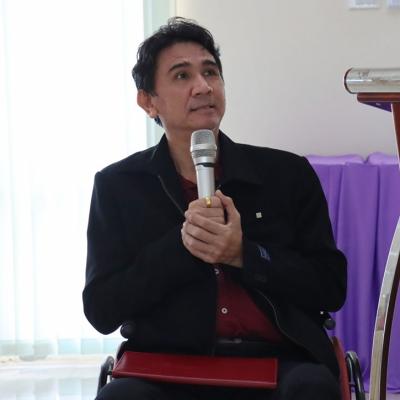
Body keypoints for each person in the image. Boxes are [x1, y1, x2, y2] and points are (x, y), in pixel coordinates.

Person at [83, 17, 347, 400]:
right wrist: (184, 246)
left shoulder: (287, 174)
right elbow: (102, 309)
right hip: (165, 366)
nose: (204, 86)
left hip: (277, 362)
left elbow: (330, 287)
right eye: (181, 75)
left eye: (210, 72)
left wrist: (243, 255)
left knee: (313, 390)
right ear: (148, 101)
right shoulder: (118, 186)